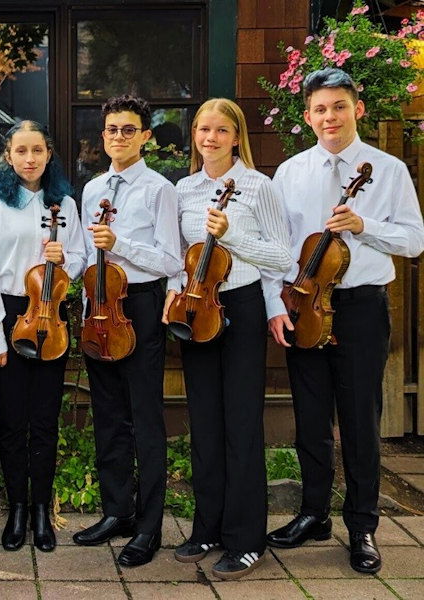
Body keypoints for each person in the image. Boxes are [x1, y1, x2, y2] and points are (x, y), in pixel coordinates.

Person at [265, 68, 424, 574]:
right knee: (310, 419)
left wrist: (364, 225)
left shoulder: (389, 169)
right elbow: (278, 248)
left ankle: (362, 526)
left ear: (357, 109)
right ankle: (314, 514)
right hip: (304, 304)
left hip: (359, 308)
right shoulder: (290, 172)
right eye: (319, 108)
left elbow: (414, 240)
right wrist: (279, 302)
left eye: (338, 106)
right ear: (308, 116)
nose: (328, 116)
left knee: (359, 420)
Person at [162, 98, 292, 579]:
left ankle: (246, 539)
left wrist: (233, 234)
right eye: (202, 129)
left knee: (241, 425)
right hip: (196, 310)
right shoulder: (185, 188)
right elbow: (178, 253)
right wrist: (174, 293)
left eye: (220, 130)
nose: (210, 138)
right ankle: (208, 527)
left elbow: (282, 257)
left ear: (237, 137)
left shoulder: (260, 187)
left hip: (240, 308)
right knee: (205, 423)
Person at [73, 94, 182, 566]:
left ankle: (150, 526)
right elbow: (85, 258)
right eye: (112, 129)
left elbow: (170, 259)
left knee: (144, 416)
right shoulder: (92, 188)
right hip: (99, 307)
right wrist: (82, 307)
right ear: (103, 137)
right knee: (108, 415)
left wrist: (122, 244)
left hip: (138, 305)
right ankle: (116, 512)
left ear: (145, 137)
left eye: (128, 129)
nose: (119, 136)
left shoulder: (159, 189)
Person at [0, 121, 86, 552]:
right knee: (11, 422)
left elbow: (77, 260)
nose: (29, 159)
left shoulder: (64, 203)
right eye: (21, 151)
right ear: (8, 156)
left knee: (44, 421)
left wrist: (66, 260)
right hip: (9, 314)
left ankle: (42, 509)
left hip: (50, 317)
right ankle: (16, 508)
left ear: (49, 153)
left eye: (37, 150)